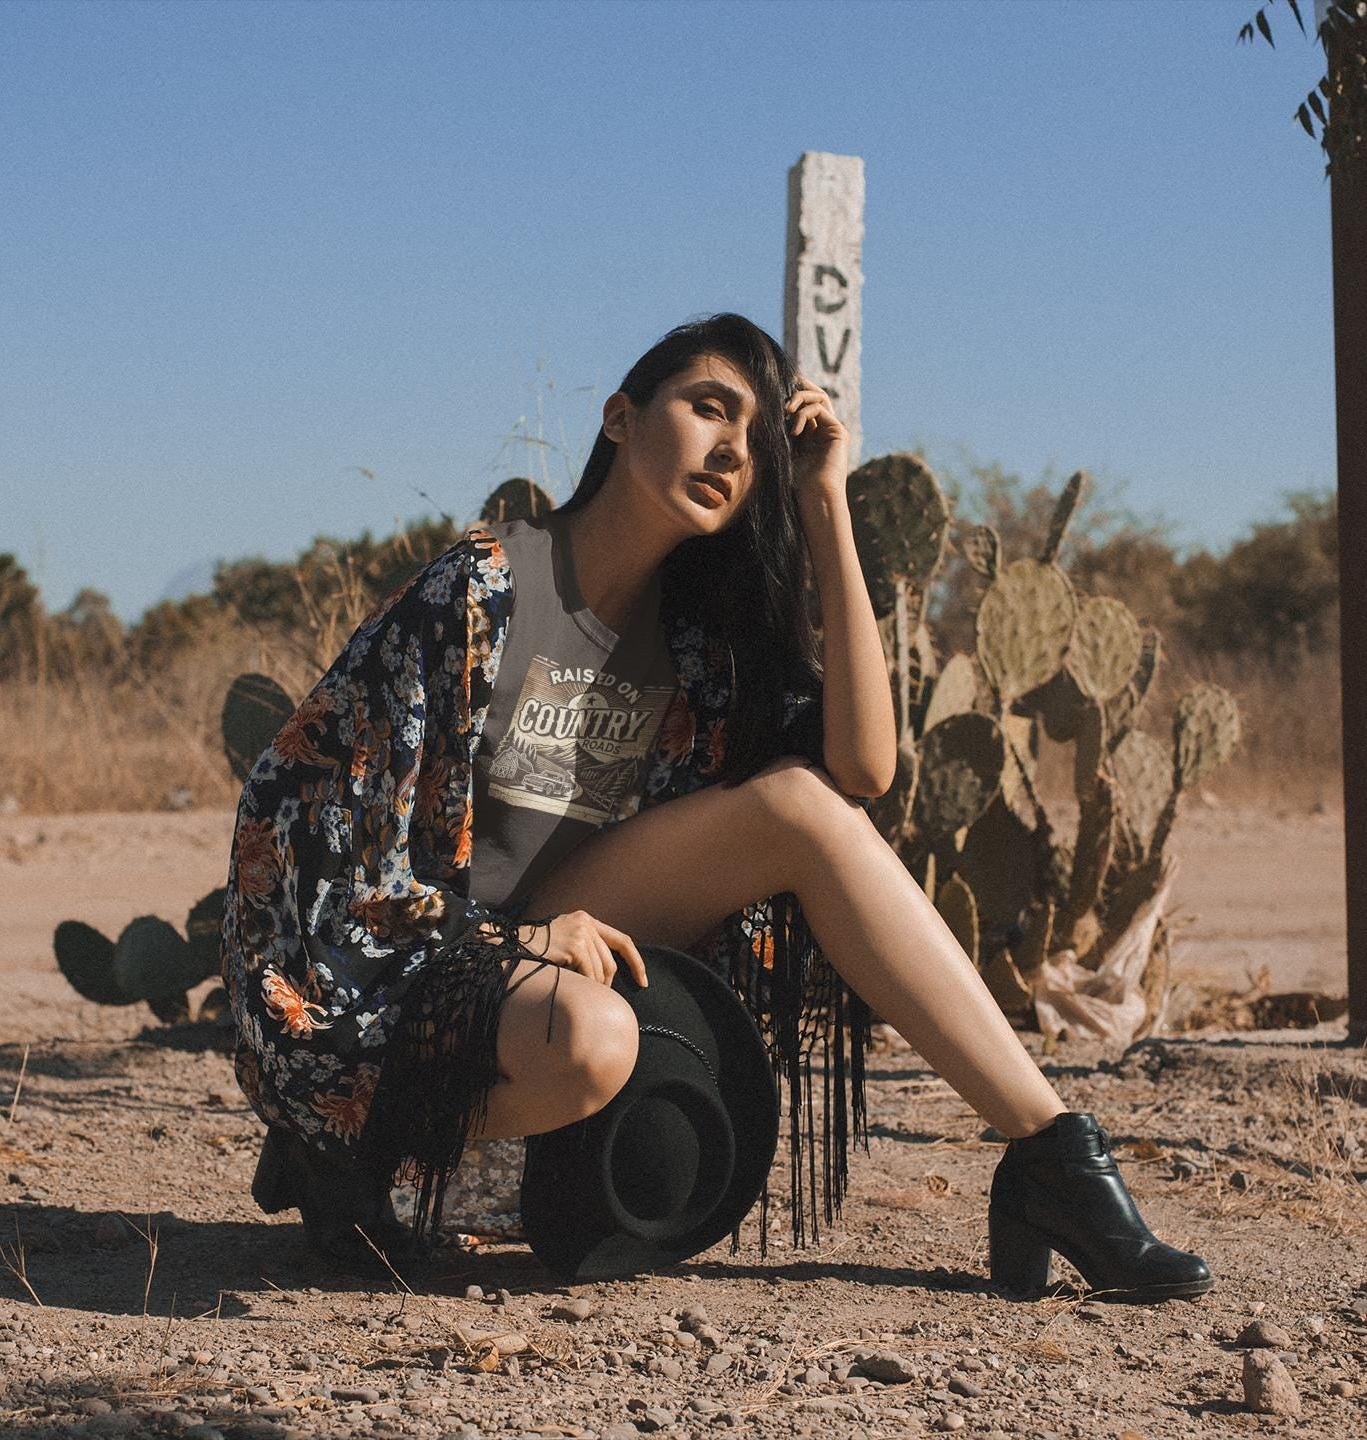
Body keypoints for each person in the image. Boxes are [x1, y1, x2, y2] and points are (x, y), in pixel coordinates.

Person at [220, 312, 1212, 1302]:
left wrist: (825, 502)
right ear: (619, 417)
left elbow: (861, 770)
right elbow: (350, 857)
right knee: (593, 1044)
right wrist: (515, 948)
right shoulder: (484, 589)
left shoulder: (693, 642)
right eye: (707, 408)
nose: (733, 446)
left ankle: (1052, 1156)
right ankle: (339, 1141)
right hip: (389, 959)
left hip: (549, 929)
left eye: (758, 439)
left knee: (801, 808)